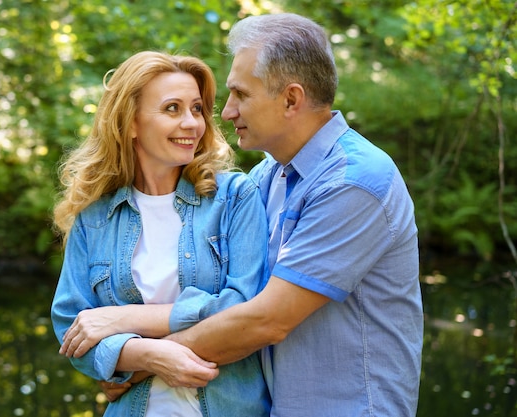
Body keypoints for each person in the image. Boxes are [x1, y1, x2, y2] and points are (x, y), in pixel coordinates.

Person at [64, 13, 424, 417]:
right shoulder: (267, 178)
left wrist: (134, 360)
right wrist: (126, 356)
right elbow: (70, 320)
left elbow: (264, 320)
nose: (226, 111)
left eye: (240, 94)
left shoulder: (353, 182)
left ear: (291, 99)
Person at [50, 51, 271, 417]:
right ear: (131, 122)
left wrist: (124, 321)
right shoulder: (96, 214)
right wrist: (148, 356)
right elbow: (71, 326)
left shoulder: (234, 197)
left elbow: (243, 309)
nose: (192, 123)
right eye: (172, 109)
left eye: (197, 109)